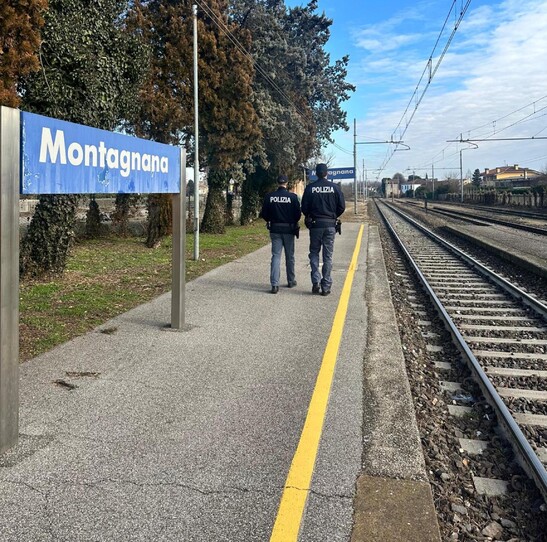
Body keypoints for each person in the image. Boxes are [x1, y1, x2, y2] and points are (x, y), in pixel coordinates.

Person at [301, 163, 345, 296]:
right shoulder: (335, 188)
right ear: (327, 173)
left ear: (316, 173)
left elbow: (304, 207)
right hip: (330, 225)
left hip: (315, 225)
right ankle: (326, 286)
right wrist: (332, 216)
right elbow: (341, 207)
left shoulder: (310, 188)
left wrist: (310, 216)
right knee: (328, 256)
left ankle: (315, 281)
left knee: (314, 252)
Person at [260, 175, 302, 294]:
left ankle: (274, 284)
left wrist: (271, 219)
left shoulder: (270, 197)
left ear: (277, 183)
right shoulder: (293, 197)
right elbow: (298, 215)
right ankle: (291, 280)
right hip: (289, 230)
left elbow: (264, 214)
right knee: (290, 256)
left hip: (275, 229)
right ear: (287, 183)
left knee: (276, 256)